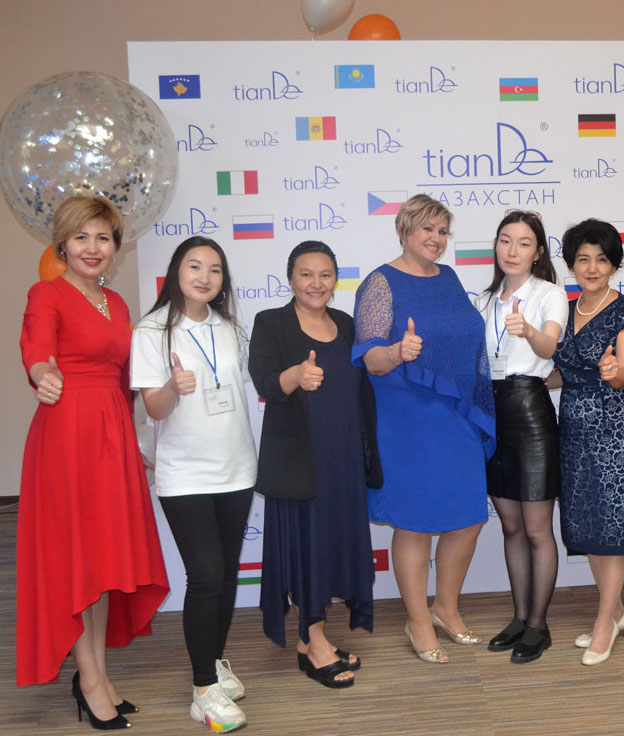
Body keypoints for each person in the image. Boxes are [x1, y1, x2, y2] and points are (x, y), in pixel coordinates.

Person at [17, 195, 169, 729]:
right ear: (62, 243)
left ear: (115, 247)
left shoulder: (118, 305)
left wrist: (134, 444)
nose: (92, 247)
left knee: (103, 564)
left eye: (103, 238)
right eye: (81, 237)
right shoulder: (46, 294)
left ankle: (98, 674)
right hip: (67, 438)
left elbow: (126, 382)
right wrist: (43, 374)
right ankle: (88, 680)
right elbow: (37, 350)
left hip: (112, 437)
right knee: (79, 561)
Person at [352, 194, 495, 664]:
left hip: (456, 414)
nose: (436, 238)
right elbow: (372, 359)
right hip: (407, 419)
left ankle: (445, 608)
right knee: (413, 524)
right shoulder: (380, 282)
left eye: (442, 231)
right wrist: (398, 351)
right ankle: (417, 621)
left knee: (469, 516)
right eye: (426, 229)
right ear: (404, 230)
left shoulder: (449, 277)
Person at [131, 237, 256, 730]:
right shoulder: (152, 331)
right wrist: (171, 388)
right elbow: (153, 408)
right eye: (195, 266)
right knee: (204, 574)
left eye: (215, 270)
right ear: (176, 272)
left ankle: (215, 661)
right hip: (184, 473)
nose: (205, 277)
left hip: (237, 467)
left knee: (225, 573)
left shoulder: (230, 328)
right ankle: (203, 689)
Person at [249, 241, 381, 689]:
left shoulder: (345, 324)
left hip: (343, 459)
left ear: (335, 279)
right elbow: (265, 380)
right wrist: (296, 376)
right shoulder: (271, 322)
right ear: (291, 278)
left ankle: (313, 639)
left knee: (330, 546)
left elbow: (361, 390)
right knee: (306, 548)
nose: (316, 283)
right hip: (300, 462)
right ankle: (314, 640)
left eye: (325, 274)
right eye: (306, 274)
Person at [551, 218, 624, 666]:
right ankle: (618, 611)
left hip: (613, 430)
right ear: (571, 264)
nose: (592, 268)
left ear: (615, 265)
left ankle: (604, 623)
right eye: (583, 259)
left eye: (602, 259)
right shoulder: (564, 309)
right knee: (586, 525)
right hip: (572, 430)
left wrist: (614, 371)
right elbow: (562, 372)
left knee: (612, 528)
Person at [475, 210, 567, 663]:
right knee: (510, 526)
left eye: (524, 243)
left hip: (529, 410)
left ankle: (538, 625)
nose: (512, 251)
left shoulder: (550, 294)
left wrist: (527, 330)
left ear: (538, 252)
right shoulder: (484, 299)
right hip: (490, 411)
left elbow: (550, 347)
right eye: (505, 240)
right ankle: (519, 617)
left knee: (535, 529)